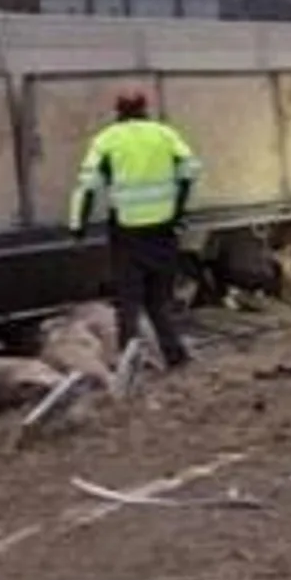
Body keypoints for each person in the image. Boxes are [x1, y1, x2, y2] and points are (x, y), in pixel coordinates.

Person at [69, 89, 203, 370]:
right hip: (163, 229)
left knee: (128, 302)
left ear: (117, 111)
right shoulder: (164, 134)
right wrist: (178, 209)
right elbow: (190, 169)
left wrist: (77, 227)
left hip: (127, 231)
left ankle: (132, 366)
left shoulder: (107, 139)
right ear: (145, 108)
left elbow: (86, 187)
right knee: (159, 301)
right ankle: (175, 358)